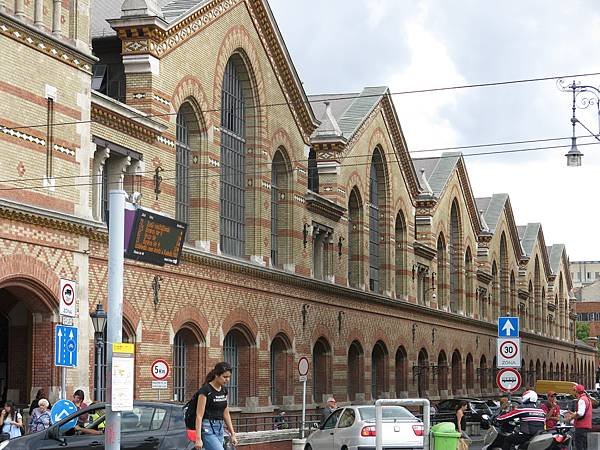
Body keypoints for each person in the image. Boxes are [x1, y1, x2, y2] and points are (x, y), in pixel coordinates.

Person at [190, 362, 238, 450]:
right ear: (216, 375)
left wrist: (233, 433)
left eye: (229, 377)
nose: (227, 380)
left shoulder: (224, 390)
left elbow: (226, 414)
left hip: (220, 428)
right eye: (224, 377)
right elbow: (199, 416)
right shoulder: (205, 390)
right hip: (207, 428)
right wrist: (198, 438)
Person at [565, 384, 592, 450]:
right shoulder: (587, 399)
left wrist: (570, 417)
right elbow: (583, 412)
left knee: (579, 446)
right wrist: (573, 413)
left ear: (577, 392)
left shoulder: (581, 400)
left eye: (575, 391)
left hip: (581, 427)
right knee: (584, 446)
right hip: (586, 426)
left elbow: (580, 413)